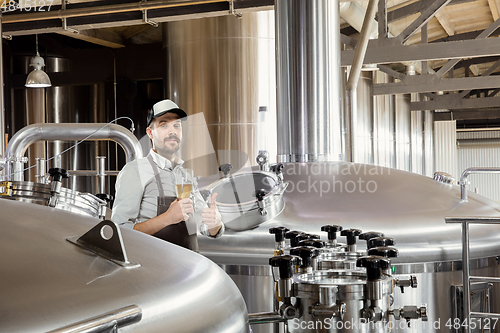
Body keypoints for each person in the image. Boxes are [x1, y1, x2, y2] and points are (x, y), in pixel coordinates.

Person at [111, 99, 223, 252]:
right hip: (153, 270)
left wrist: (215, 223)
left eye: (177, 125)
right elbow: (120, 231)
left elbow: (205, 227)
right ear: (150, 133)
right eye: (164, 125)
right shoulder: (135, 171)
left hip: (187, 268)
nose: (172, 131)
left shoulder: (186, 176)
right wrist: (167, 218)